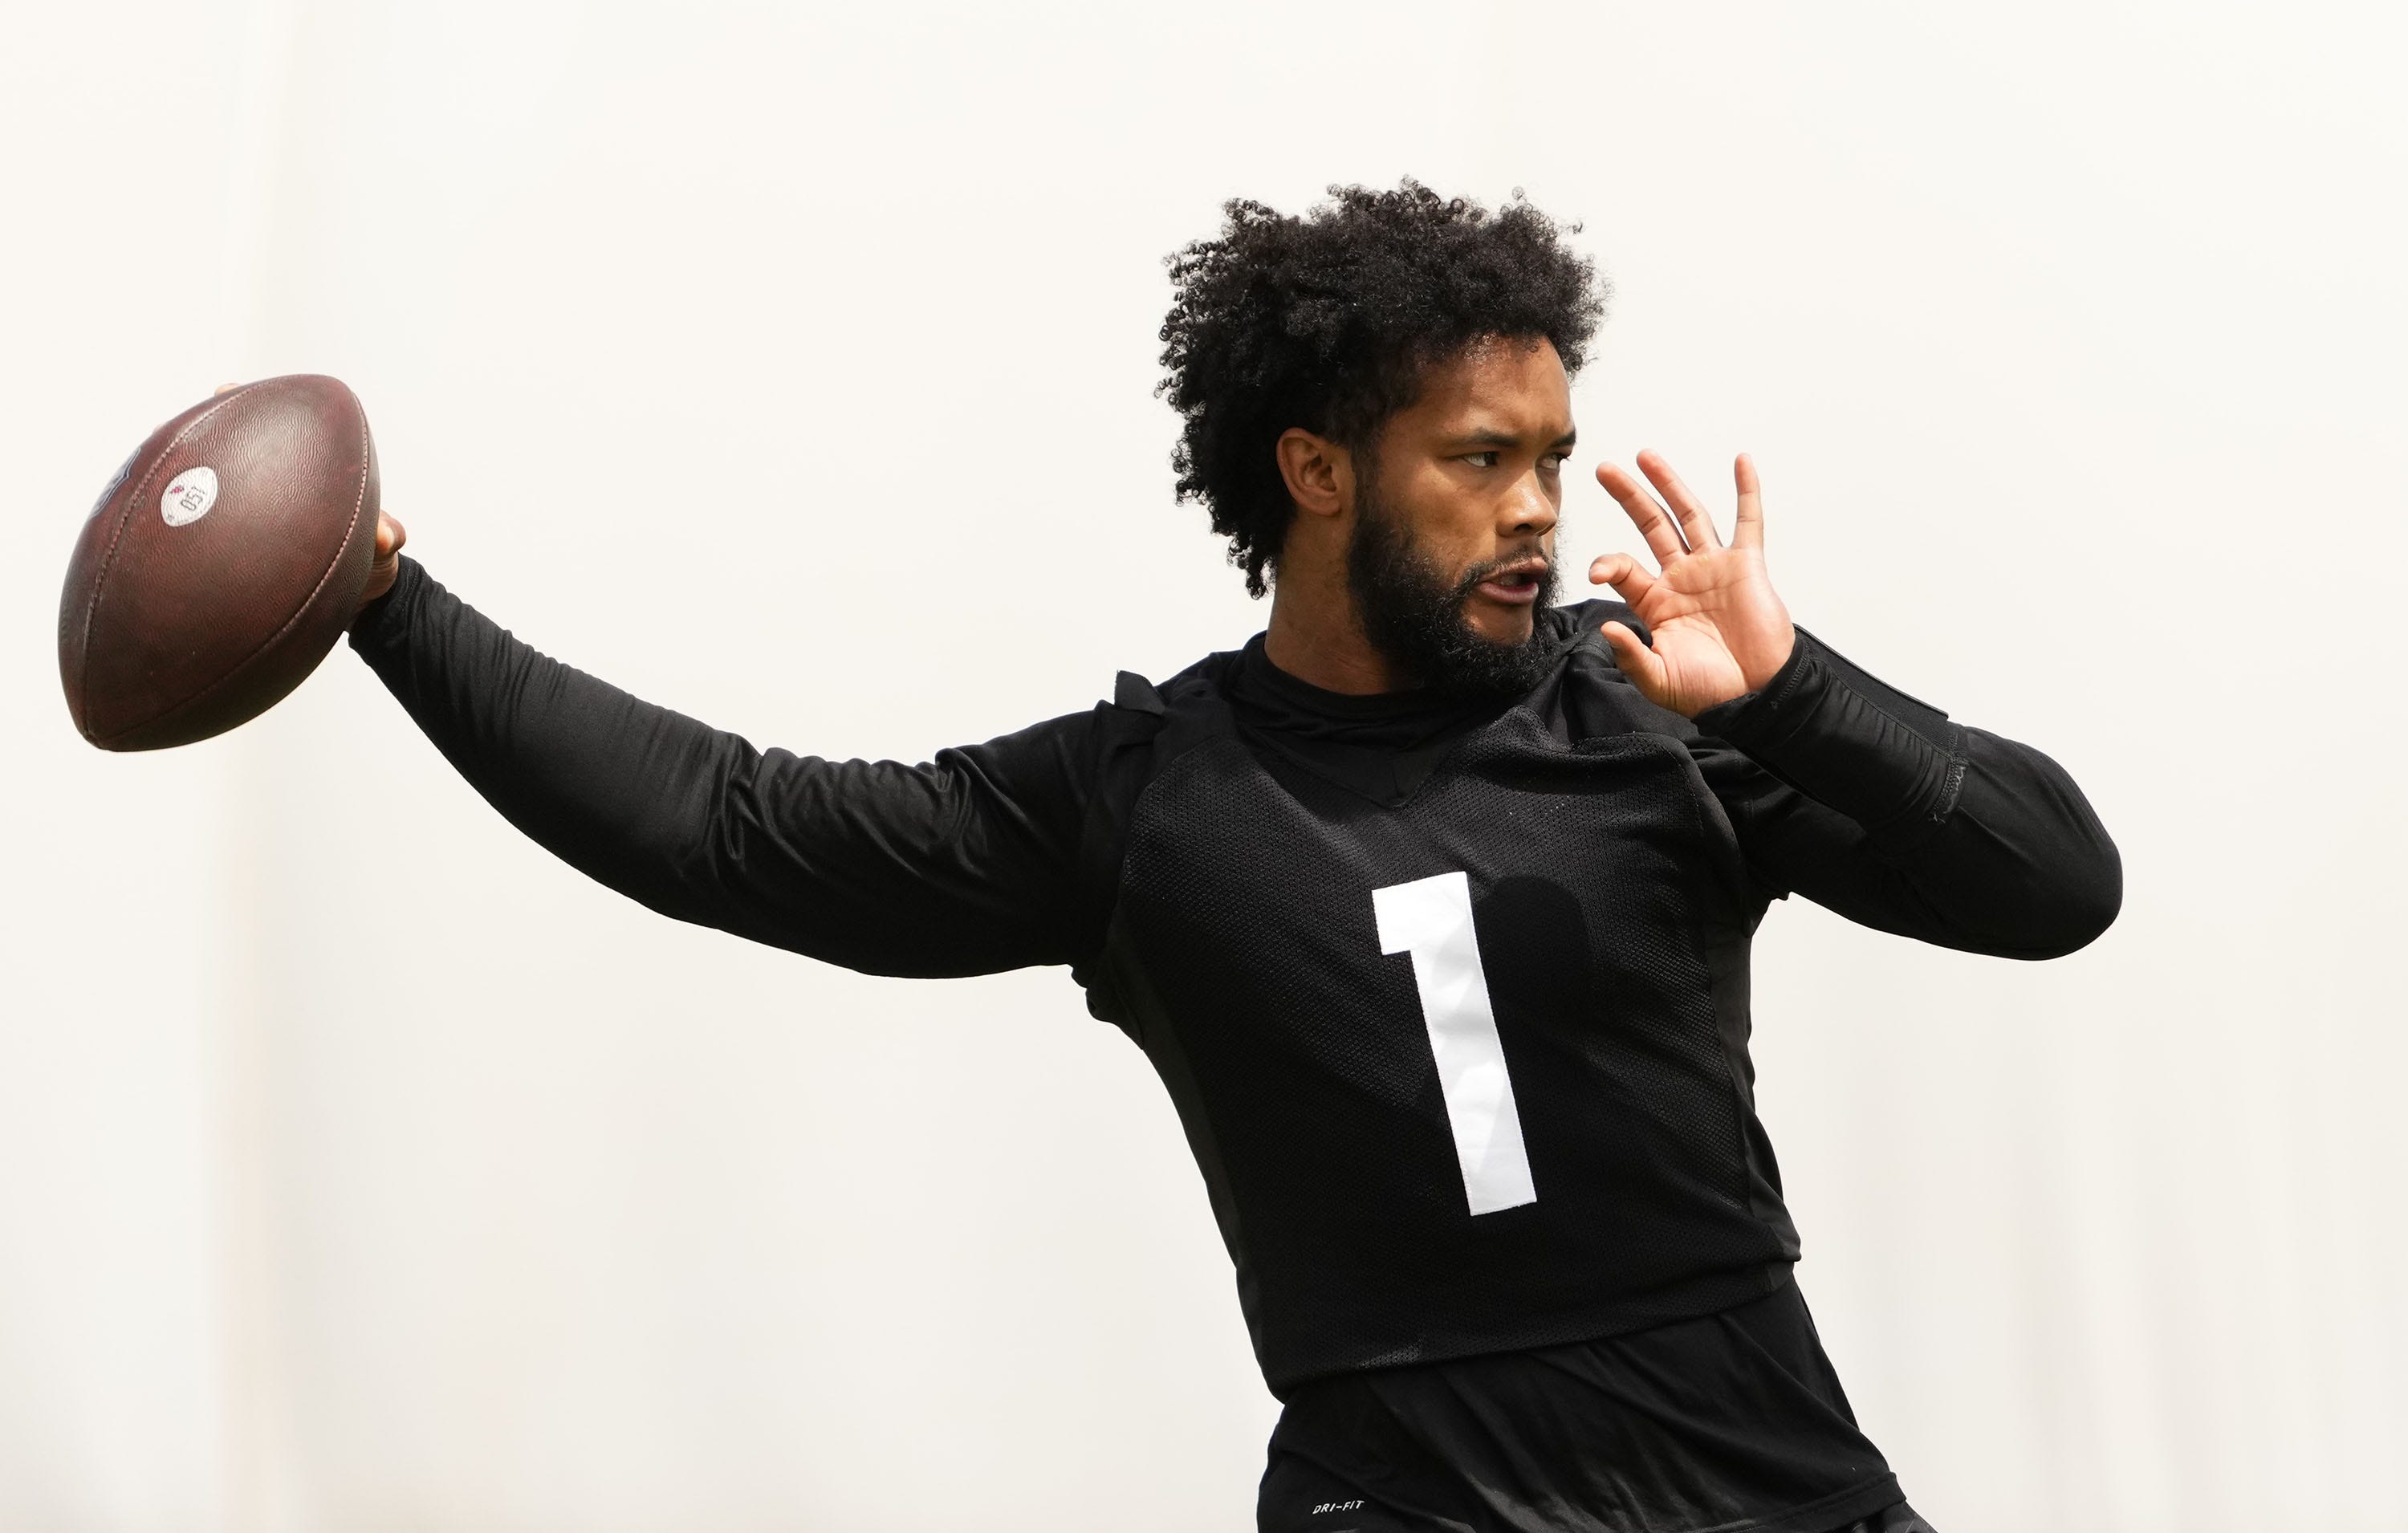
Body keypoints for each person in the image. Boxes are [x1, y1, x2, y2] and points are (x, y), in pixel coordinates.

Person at [338, 181, 2120, 1532]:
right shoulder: (1146, 801)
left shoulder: (1661, 710)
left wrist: (1798, 694)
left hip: (1760, 1475)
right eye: (1479, 458)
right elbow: (736, 828)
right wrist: (385, 605)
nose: (1535, 508)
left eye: (1552, 460)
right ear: (1316, 469)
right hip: (1400, 1490)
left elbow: (2058, 886)